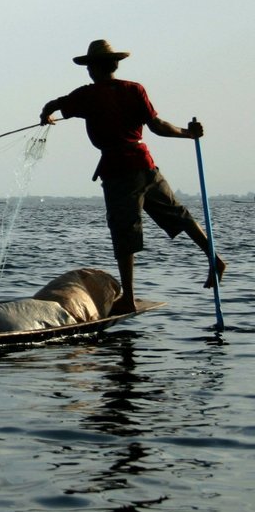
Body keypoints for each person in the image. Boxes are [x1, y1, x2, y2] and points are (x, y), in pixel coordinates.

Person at [40, 39, 226, 314]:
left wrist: (46, 116)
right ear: (114, 65)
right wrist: (188, 134)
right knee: (180, 215)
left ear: (92, 69)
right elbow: (158, 126)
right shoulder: (134, 89)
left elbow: (53, 104)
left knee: (124, 232)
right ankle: (215, 259)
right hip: (146, 166)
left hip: (119, 172)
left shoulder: (88, 95)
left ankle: (128, 297)